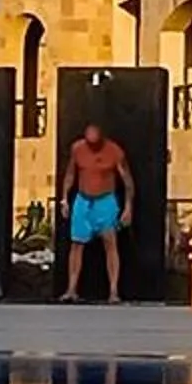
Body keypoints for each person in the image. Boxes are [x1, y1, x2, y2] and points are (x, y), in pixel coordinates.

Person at [59, 124, 136, 303]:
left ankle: (114, 291)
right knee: (77, 244)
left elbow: (127, 181)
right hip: (83, 200)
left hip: (105, 200)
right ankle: (71, 290)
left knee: (110, 243)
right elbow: (70, 174)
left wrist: (128, 207)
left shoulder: (114, 151)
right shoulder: (77, 149)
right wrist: (64, 199)